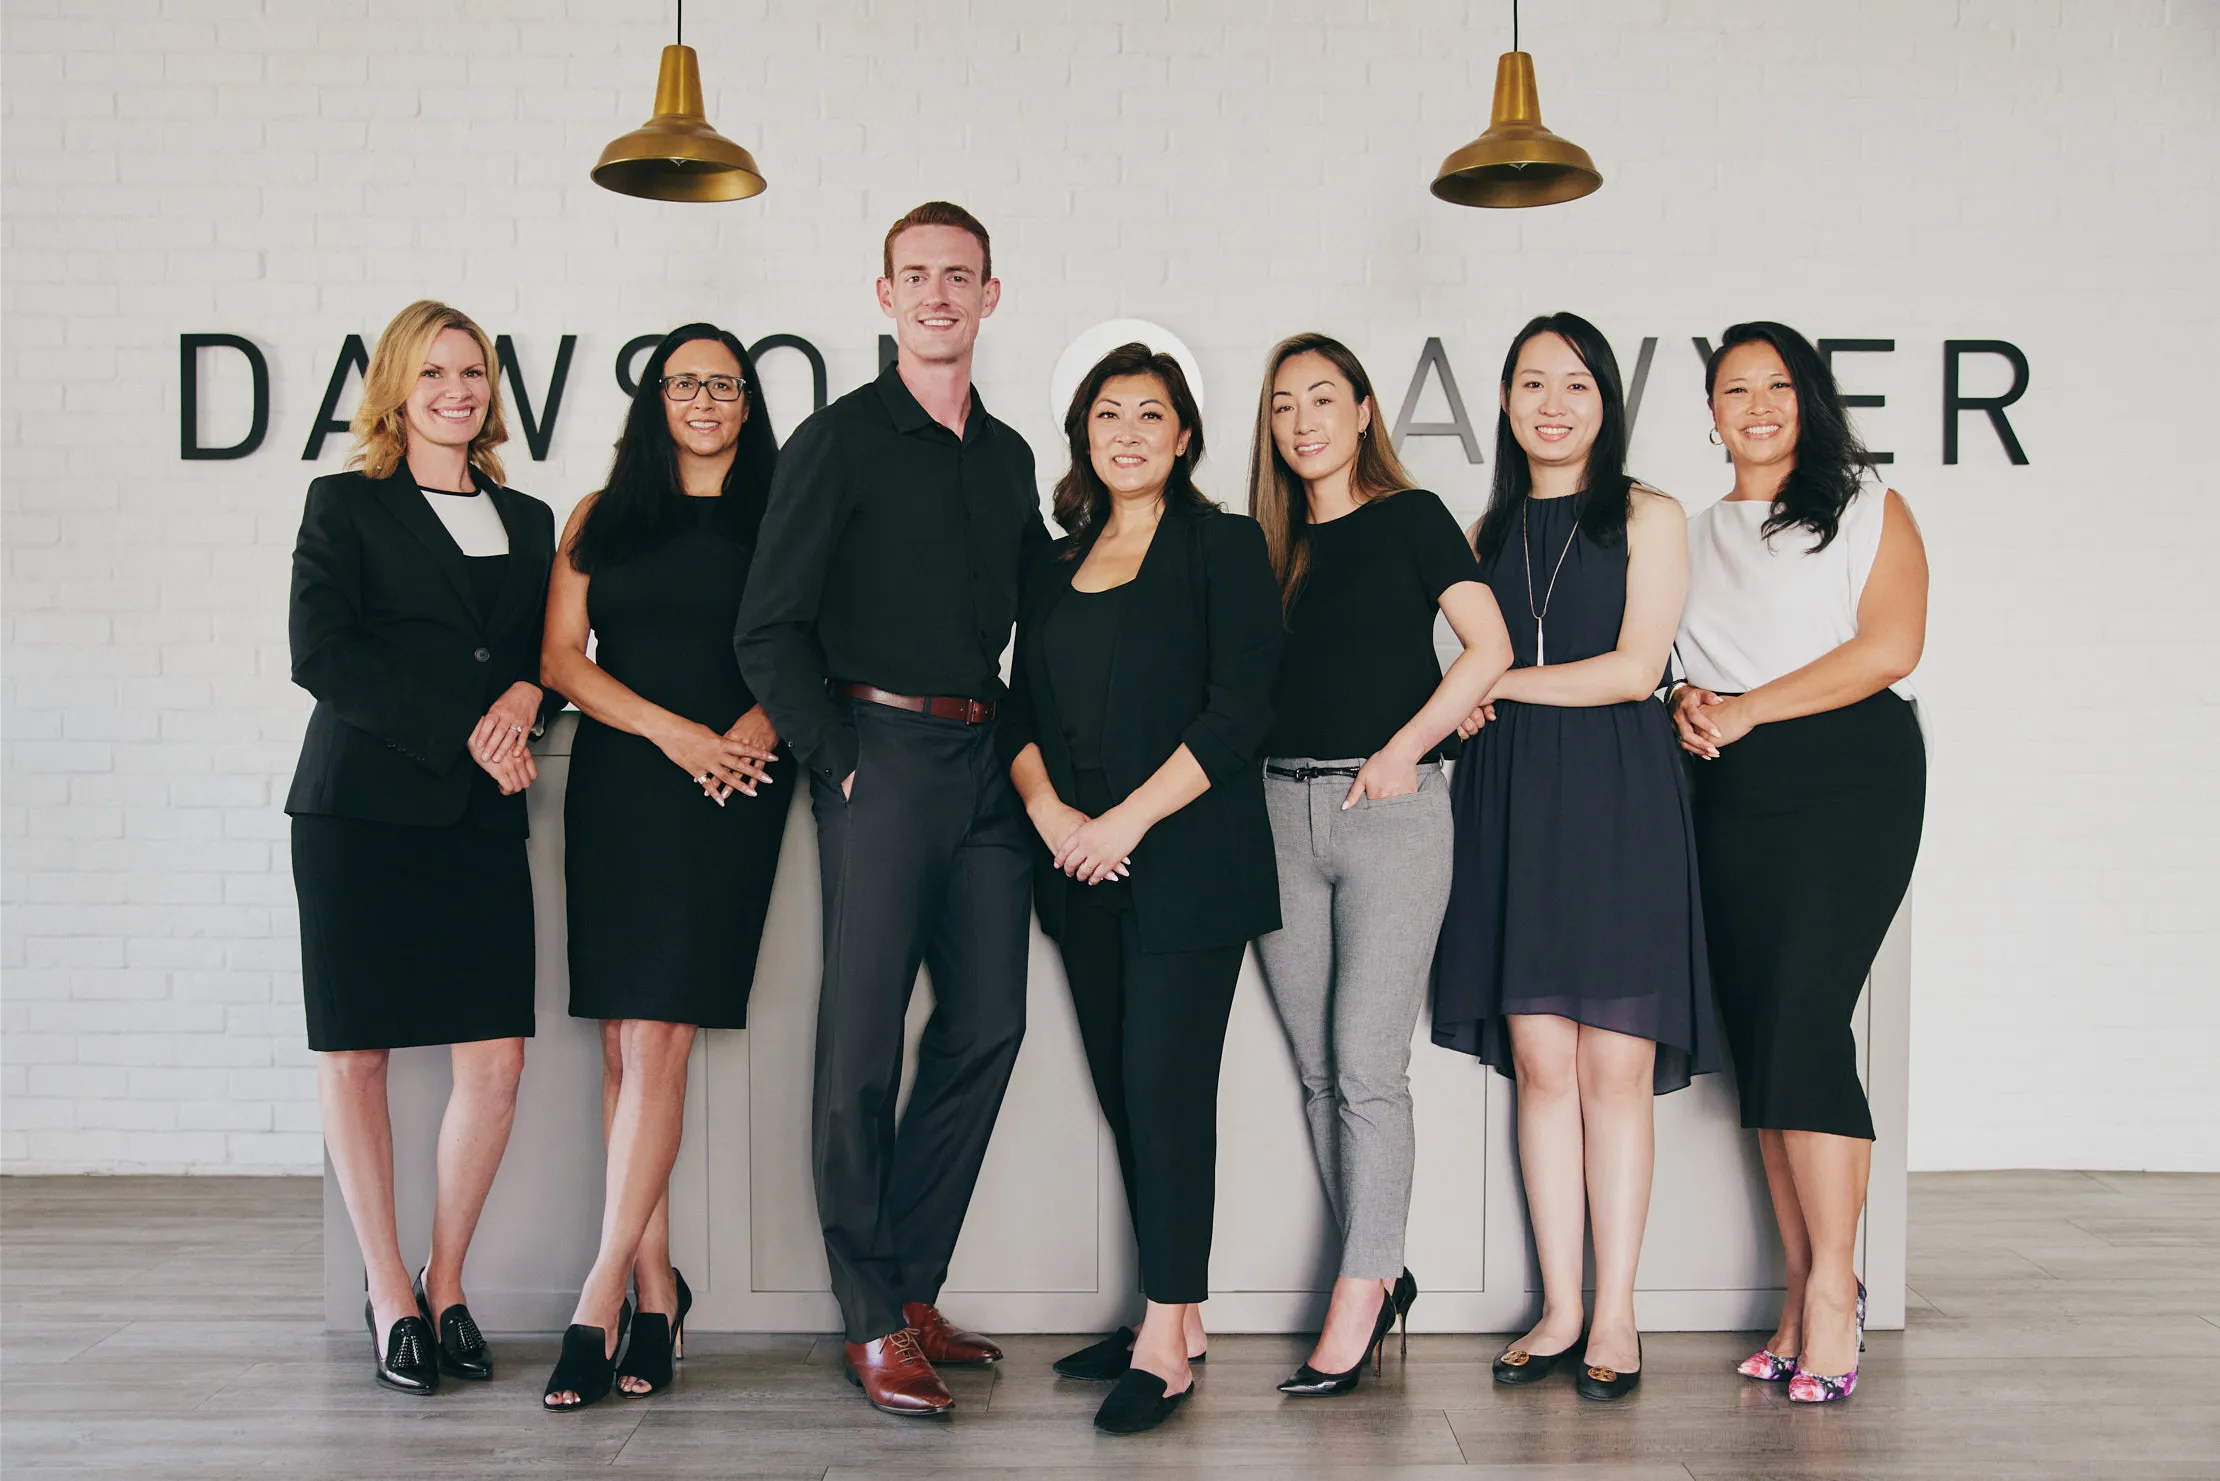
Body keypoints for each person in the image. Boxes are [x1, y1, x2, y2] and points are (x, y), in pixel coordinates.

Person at [734, 202, 1048, 1417]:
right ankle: (868, 1314)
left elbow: (1044, 609)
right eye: (914, 276)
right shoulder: (835, 442)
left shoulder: (1010, 455)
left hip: (983, 761)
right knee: (858, 1046)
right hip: (880, 752)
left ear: (990, 294)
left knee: (990, 1022)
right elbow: (766, 626)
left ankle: (910, 1286)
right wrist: (837, 758)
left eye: (957, 276)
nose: (936, 294)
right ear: (883, 295)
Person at [1433, 312, 1718, 1403]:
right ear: (1504, 402)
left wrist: (1488, 687)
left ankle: (1616, 1309)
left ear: (1607, 400)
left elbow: (1635, 665)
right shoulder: (1484, 526)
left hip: (1618, 792)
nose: (1553, 403)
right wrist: (1459, 711)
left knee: (1616, 1067)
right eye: (1531, 383)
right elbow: (1459, 673)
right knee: (1543, 1064)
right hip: (1512, 802)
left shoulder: (1651, 514)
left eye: (1576, 384)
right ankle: (1558, 1303)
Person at [1002, 343, 1282, 1434]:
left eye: (1150, 412)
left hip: (1186, 865)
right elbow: (1017, 713)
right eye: (1107, 413)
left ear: (1185, 435)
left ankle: (1166, 1336)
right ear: (1083, 435)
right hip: (1076, 868)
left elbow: (1238, 706)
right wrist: (1057, 820)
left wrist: (1124, 820)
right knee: (1126, 1091)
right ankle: (1181, 1308)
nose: (1127, 430)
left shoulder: (1223, 543)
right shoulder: (1054, 562)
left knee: (1167, 1093)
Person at [285, 299, 556, 1395]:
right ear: (397, 387)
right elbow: (321, 653)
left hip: (481, 817)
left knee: (494, 1060)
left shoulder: (529, 517)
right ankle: (388, 1288)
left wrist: (531, 691)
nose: (459, 388)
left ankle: (448, 1281)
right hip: (358, 812)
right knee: (356, 1058)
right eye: (437, 371)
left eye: (476, 371)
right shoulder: (344, 505)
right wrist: (464, 727)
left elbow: (539, 645)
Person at [1245, 334, 1513, 1396]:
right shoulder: (1262, 547)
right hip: (1273, 809)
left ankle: (1358, 1292)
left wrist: (1410, 746)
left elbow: (1489, 649)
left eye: (1323, 397)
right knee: (1318, 1068)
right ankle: (1379, 1266)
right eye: (1281, 405)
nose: (1303, 420)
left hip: (1389, 810)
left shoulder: (1413, 517)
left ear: (1362, 411)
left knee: (1365, 1063)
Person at [1673, 321, 1928, 1406]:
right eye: (1737, 390)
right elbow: (1677, 666)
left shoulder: (1871, 507)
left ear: (1809, 399)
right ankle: (1801, 1288)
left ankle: (1835, 1296)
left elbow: (1888, 649)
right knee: (1769, 1034)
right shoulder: (1689, 532)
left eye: (1779, 386)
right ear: (1713, 412)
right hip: (1730, 788)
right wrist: (1691, 702)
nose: (1759, 405)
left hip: (1850, 771)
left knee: (1809, 1020)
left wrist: (1743, 709)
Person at [537, 324, 790, 1409]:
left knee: (659, 1039)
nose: (704, 399)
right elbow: (560, 660)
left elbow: (820, 643)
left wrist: (742, 734)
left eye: (723, 384)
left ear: (746, 401)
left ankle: (598, 1298)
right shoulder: (602, 516)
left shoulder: (783, 510)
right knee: (624, 1042)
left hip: (733, 782)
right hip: (627, 785)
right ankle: (655, 1289)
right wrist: (672, 732)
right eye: (684, 382)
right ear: (655, 398)